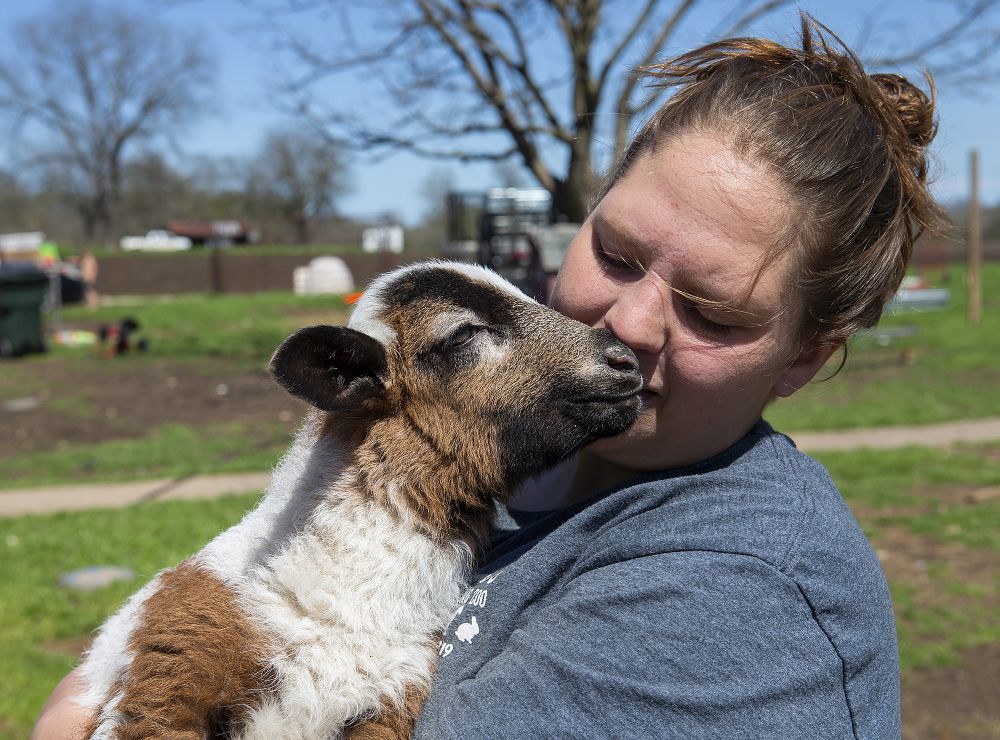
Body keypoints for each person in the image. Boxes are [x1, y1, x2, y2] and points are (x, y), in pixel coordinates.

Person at [33, 17, 942, 739]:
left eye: (712, 313)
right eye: (617, 251)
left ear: (805, 356)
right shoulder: (492, 463)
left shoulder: (737, 596)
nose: (627, 324)